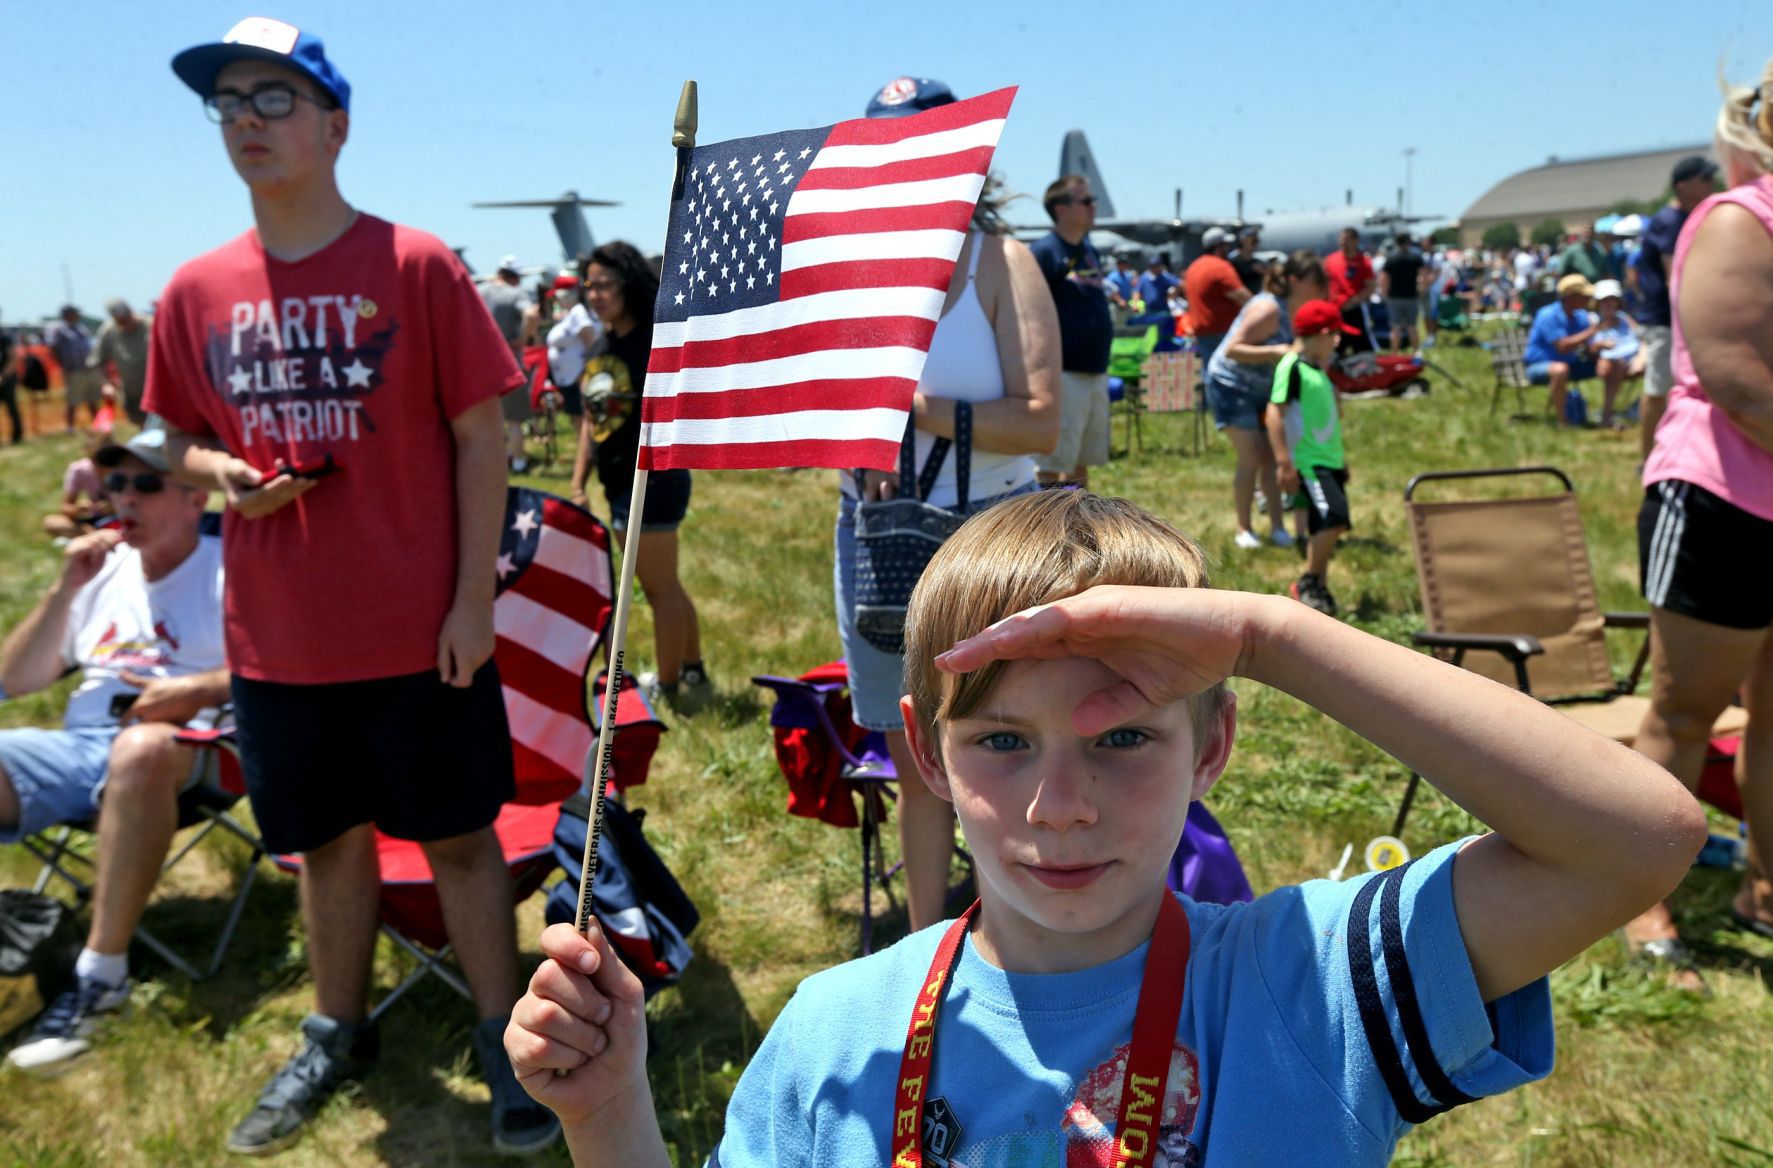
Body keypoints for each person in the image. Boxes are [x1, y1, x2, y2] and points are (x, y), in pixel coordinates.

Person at [506, 488, 1705, 1167]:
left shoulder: (1299, 989)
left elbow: (1636, 836)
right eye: (1002, 742)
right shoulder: (838, 1033)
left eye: (1125, 737)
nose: (1059, 807)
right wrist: (611, 1115)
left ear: (1213, 746)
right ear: (925, 752)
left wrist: (1266, 635)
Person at [142, 19, 558, 1154]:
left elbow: (485, 437)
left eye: (274, 98)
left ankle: (496, 1030)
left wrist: (473, 600)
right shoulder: (194, 289)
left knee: (461, 835)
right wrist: (215, 468)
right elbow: (163, 434)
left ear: (336, 124)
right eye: (228, 99)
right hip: (278, 639)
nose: (245, 119)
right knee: (325, 844)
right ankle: (336, 1028)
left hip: (422, 632)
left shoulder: (416, 264)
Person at [832, 75, 1059, 933]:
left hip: (986, 535)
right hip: (878, 533)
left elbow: (1040, 418)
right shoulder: (848, 265)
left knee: (1006, 730)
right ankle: (930, 942)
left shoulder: (999, 262)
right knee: (913, 749)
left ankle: (1025, 919)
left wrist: (911, 406)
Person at [2, 428, 228, 1072]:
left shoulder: (230, 566)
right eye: (116, 484)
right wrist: (65, 588)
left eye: (145, 483)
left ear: (193, 498)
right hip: (80, 745)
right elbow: (14, 681)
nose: (124, 497)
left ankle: (100, 980)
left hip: (196, 747)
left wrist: (194, 688)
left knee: (140, 750)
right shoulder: (103, 570)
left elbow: (281, 671)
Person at [1621, 60, 1773, 990]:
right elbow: (1736, 377)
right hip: (1722, 498)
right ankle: (1643, 897)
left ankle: (1764, 887)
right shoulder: (1739, 219)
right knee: (1684, 713)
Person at [571, 240, 711, 710]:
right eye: (588, 285)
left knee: (658, 588)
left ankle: (668, 688)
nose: (594, 294)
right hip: (616, 487)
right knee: (663, 583)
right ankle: (691, 667)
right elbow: (593, 420)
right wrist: (577, 481)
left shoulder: (655, 341)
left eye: (604, 284)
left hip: (655, 481)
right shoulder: (603, 343)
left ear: (629, 285)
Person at [1206, 250, 1330, 550]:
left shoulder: (1295, 311)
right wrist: (1274, 352)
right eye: (1314, 284)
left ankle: (1277, 527)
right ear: (1294, 281)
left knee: (1273, 458)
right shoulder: (1267, 309)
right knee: (1252, 456)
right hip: (1230, 385)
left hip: (1264, 389)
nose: (1319, 291)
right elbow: (1232, 350)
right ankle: (1244, 529)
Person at [1266, 300, 1357, 616]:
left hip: (1329, 460)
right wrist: (1283, 463)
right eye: (1335, 335)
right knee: (1334, 517)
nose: (1338, 341)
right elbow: (1274, 412)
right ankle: (1307, 581)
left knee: (1327, 523)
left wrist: (1342, 460)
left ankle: (1318, 583)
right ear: (1319, 334)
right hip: (1308, 461)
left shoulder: (1318, 370)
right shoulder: (1291, 366)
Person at [1029, 173, 1113, 488]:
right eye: (1086, 200)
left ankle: (1079, 527)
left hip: (1095, 372)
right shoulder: (1044, 253)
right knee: (1051, 465)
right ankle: (1044, 532)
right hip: (1062, 374)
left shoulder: (1089, 249)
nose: (1094, 206)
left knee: (1081, 461)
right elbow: (1030, 315)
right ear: (1061, 209)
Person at [1636, 154, 1720, 459]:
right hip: (1666, 320)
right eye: (1706, 179)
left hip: (1684, 318)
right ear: (1683, 185)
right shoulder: (1669, 221)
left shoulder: (1689, 217)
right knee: (1658, 391)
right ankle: (1647, 460)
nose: (1713, 184)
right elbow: (1676, 278)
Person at [481, 254, 537, 473]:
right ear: (516, 277)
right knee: (514, 420)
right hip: (509, 364)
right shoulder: (516, 293)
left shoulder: (479, 291)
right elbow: (532, 314)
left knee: (487, 420)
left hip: (480, 365)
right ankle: (519, 462)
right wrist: (523, 340)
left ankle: (492, 464)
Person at [1524, 274, 1600, 425]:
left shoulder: (1581, 316)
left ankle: (1608, 415)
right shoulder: (1548, 315)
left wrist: (1600, 349)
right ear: (1570, 297)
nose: (1588, 299)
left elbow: (1587, 347)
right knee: (1560, 370)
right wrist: (1592, 331)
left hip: (1570, 364)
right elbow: (1562, 347)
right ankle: (1562, 421)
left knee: (1608, 365)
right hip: (1539, 366)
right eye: (1585, 296)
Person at [1181, 226, 1250, 369]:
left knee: (1210, 372)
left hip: (1201, 331)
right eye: (1226, 245)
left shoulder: (1193, 267)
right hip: (1223, 330)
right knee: (1228, 374)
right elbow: (1243, 297)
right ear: (1219, 247)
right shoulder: (1220, 267)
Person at [546, 271, 600, 419]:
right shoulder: (570, 313)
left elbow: (590, 340)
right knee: (577, 418)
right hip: (570, 378)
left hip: (578, 377)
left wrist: (586, 371)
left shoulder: (578, 313)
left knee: (583, 419)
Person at [89, 298, 152, 425]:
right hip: (131, 392)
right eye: (119, 321)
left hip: (156, 391)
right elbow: (98, 360)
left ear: (130, 312)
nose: (124, 324)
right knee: (143, 428)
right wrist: (106, 384)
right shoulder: (109, 330)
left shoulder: (151, 325)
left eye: (125, 319)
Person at [43, 428, 113, 538]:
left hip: (121, 518)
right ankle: (96, 536)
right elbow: (65, 508)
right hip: (95, 521)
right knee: (51, 522)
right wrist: (78, 509)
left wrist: (115, 508)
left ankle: (95, 537)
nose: (101, 466)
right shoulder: (79, 469)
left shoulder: (125, 468)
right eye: (95, 460)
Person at [1588, 279, 1639, 428]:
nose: (1609, 304)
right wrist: (1601, 344)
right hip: (1608, 362)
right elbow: (1590, 348)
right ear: (1598, 302)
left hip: (1634, 360)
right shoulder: (1594, 320)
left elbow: (1641, 336)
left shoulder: (1624, 318)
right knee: (1614, 366)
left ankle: (1638, 409)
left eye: (1612, 300)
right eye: (1604, 301)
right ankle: (1607, 416)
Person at [46, 305, 101, 432]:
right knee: (72, 400)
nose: (77, 315)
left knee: (93, 398)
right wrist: (64, 365)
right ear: (67, 314)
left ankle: (97, 424)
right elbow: (53, 348)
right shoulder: (59, 329)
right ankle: (70, 427)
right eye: (75, 313)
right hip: (73, 370)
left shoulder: (81, 328)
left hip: (89, 369)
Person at [1323, 227, 1377, 346]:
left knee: (1362, 344)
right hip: (1334, 309)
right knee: (1334, 345)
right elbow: (1324, 283)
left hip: (1355, 309)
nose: (1342, 243)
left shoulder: (1364, 262)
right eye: (1341, 239)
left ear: (1355, 241)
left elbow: (1370, 286)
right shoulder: (1330, 260)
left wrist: (1354, 301)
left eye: (1346, 239)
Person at [1380, 233, 1426, 351]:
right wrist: (1421, 290)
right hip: (1411, 296)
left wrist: (1384, 294)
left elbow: (1384, 278)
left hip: (1394, 297)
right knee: (1412, 327)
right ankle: (1417, 353)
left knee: (1395, 328)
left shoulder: (1391, 258)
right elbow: (1423, 276)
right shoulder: (1415, 258)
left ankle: (1394, 354)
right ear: (1408, 242)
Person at [1137, 252, 1179, 319]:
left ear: (1160, 266)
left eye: (1156, 266)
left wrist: (1172, 295)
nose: (1154, 268)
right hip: (1149, 311)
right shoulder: (1144, 277)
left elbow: (1179, 284)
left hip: (1164, 311)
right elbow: (1137, 291)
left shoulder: (1165, 276)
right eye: (1152, 266)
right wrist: (1137, 303)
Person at [0, 325, 23, 444]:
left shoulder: (4, 336)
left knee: (12, 408)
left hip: (6, 379)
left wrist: (3, 376)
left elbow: (13, 357)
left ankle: (17, 436)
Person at [1230, 225, 1266, 295]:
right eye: (1253, 241)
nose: (1256, 244)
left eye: (1257, 241)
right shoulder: (1232, 263)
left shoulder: (1259, 263)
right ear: (1243, 241)